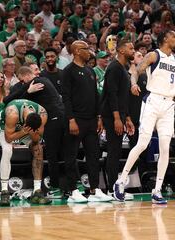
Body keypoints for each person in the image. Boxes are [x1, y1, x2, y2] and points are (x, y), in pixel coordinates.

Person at [114, 30, 175, 204]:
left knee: (165, 148)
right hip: (153, 102)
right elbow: (137, 70)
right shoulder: (154, 55)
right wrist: (134, 83)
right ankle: (120, 182)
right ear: (165, 39)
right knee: (142, 143)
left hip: (168, 105)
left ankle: (157, 190)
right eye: (174, 36)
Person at [61, 40, 113, 203]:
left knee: (93, 155)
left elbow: (96, 96)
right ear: (76, 51)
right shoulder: (68, 71)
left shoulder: (90, 71)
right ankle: (73, 190)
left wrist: (99, 117)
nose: (90, 52)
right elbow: (66, 98)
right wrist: (71, 119)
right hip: (75, 119)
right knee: (71, 156)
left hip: (91, 120)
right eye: (86, 49)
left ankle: (95, 189)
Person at [3, 66, 65, 199]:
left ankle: (55, 188)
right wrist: (27, 90)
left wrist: (27, 90)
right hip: (57, 118)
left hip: (52, 119)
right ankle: (69, 187)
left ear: (25, 76)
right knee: (63, 153)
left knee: (52, 154)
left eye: (22, 81)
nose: (22, 84)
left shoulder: (36, 82)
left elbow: (9, 100)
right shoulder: (43, 80)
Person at [0, 99, 50, 206]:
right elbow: (8, 138)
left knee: (38, 149)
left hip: (25, 128)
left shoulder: (42, 114)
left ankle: (37, 191)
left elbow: (36, 140)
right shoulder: (12, 113)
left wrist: (31, 133)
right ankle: (4, 191)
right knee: (7, 149)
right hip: (7, 126)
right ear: (25, 121)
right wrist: (23, 131)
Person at [101, 39, 136, 200]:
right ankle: (112, 189)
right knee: (113, 152)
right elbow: (111, 95)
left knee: (116, 151)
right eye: (130, 48)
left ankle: (114, 188)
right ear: (121, 51)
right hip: (111, 116)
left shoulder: (123, 68)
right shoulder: (114, 67)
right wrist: (116, 118)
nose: (133, 50)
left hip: (120, 115)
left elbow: (123, 97)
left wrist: (127, 117)